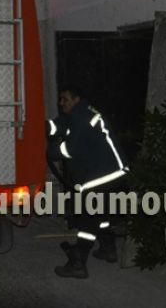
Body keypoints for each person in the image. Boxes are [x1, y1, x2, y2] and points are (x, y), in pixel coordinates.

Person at [46, 84, 129, 279]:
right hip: (113, 172)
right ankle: (108, 249)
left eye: (65, 99)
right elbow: (61, 125)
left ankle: (78, 263)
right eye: (60, 99)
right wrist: (43, 126)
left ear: (76, 99)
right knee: (100, 214)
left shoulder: (81, 118)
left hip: (102, 175)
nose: (61, 103)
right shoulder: (81, 113)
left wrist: (51, 151)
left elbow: (69, 150)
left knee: (88, 219)